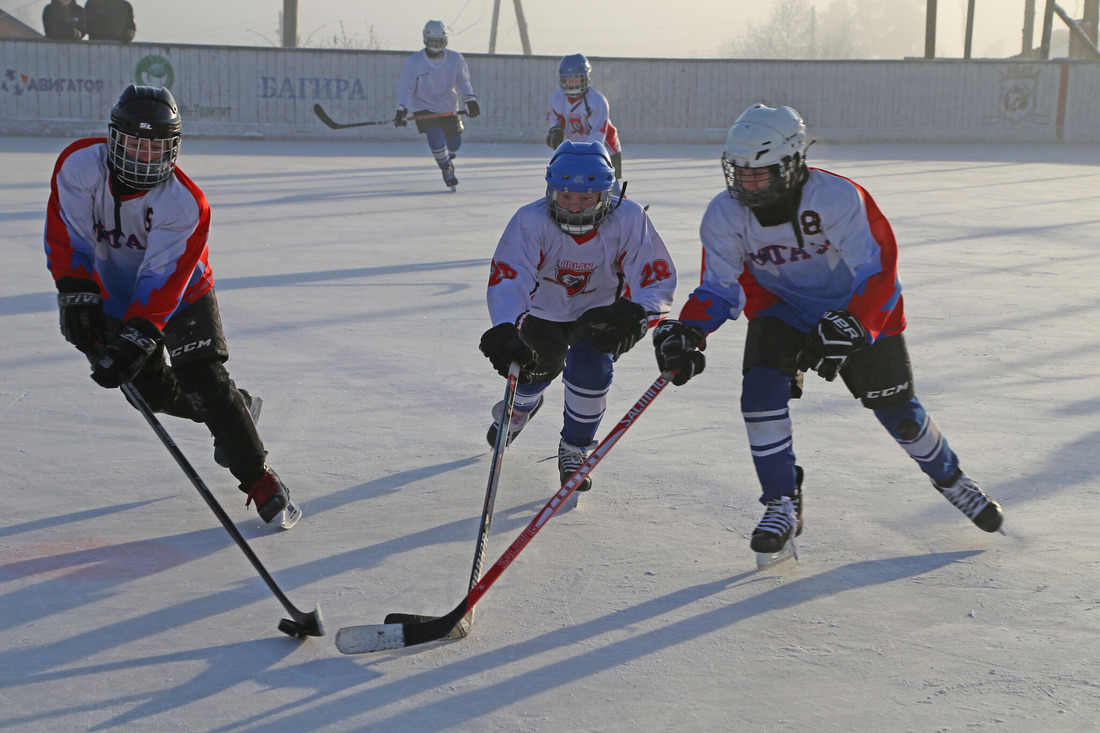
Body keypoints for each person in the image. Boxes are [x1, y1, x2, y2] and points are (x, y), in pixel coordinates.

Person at [652, 103, 1004, 561]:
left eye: (759, 174)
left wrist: (856, 322)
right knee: (759, 395)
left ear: (793, 162)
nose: (746, 185)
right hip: (784, 309)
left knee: (900, 415)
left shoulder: (837, 199)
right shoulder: (724, 215)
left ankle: (952, 479)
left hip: (857, 308)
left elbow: (879, 274)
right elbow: (721, 287)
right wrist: (689, 329)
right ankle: (780, 502)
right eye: (738, 173)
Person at [44, 84, 298, 527]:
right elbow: (68, 239)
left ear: (172, 149)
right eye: (134, 144)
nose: (144, 157)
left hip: (182, 293)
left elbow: (163, 284)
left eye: (155, 147)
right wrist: (74, 293)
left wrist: (137, 334)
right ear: (113, 139)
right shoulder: (78, 166)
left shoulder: (184, 204)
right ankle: (233, 409)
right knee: (150, 392)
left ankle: (261, 481)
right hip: (112, 291)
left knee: (203, 377)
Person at [479, 141, 676, 492]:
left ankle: (574, 447)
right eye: (565, 196)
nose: (574, 207)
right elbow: (511, 276)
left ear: (607, 194)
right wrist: (505, 327)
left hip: (600, 314)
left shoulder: (629, 218)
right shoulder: (530, 219)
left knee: (591, 369)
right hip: (543, 313)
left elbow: (655, 276)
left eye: (586, 198)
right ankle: (521, 407)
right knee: (533, 371)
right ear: (550, 190)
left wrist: (639, 314)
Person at [393, 20, 480, 191]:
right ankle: (446, 170)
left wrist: (470, 99)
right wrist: (401, 108)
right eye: (433, 42)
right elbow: (406, 88)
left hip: (448, 107)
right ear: (425, 40)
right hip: (423, 107)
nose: (435, 46)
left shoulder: (455, 59)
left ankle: (446, 158)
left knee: (454, 144)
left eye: (439, 42)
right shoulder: (414, 62)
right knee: (435, 137)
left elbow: (463, 82)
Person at [546, 54, 623, 191]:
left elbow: (597, 136)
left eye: (576, 79)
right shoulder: (557, 97)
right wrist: (554, 132)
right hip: (574, 146)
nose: (573, 83)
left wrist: (582, 158)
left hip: (606, 147)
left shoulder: (597, 101)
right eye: (569, 79)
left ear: (585, 78)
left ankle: (622, 207)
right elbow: (554, 119)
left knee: (609, 185)